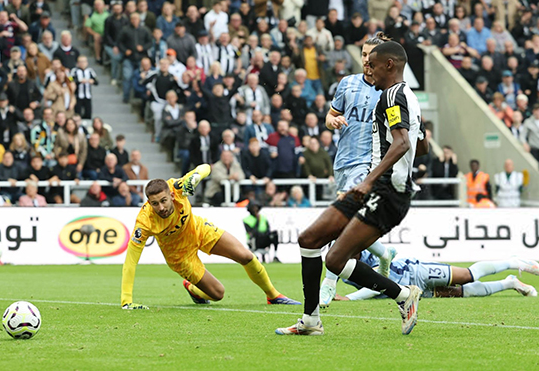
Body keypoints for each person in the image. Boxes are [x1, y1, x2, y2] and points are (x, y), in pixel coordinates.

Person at [277, 41, 426, 337]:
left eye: (372, 63)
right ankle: (311, 320)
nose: (367, 68)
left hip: (385, 193)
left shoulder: (392, 97)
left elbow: (403, 143)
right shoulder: (405, 96)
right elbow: (421, 145)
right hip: (375, 187)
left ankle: (402, 295)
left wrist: (370, 180)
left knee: (335, 259)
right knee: (309, 240)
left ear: (389, 65)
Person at [120, 165, 300, 309]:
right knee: (218, 294)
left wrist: (195, 177)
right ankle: (192, 289)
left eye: (163, 201)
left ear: (172, 195)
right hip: (179, 255)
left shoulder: (178, 187)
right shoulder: (145, 222)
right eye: (155, 204)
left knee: (246, 256)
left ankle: (273, 295)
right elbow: (131, 261)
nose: (160, 207)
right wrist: (126, 300)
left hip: (199, 230)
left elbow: (206, 167)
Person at [318, 33, 396, 307]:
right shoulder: (347, 84)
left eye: (371, 56)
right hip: (343, 163)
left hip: (368, 164)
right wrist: (333, 121)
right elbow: (330, 116)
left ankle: (328, 282)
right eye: (363, 55)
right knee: (349, 224)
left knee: (344, 218)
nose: (365, 60)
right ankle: (384, 254)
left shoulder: (389, 92)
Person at [332, 252, 539, 302]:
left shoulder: (370, 254)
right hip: (413, 291)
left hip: (417, 273)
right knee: (463, 292)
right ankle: (510, 283)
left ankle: (513, 262)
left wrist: (350, 298)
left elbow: (376, 283)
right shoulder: (344, 269)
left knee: (468, 276)